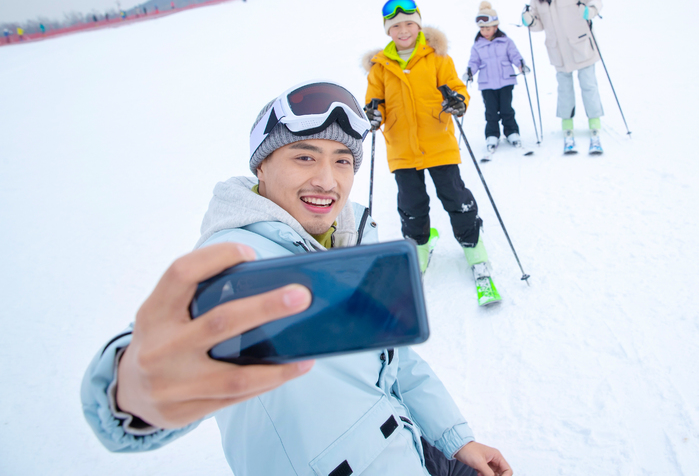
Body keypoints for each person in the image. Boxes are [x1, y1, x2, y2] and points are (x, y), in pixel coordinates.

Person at [81, 81, 512, 476]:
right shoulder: (238, 261)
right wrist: (131, 393)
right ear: (261, 166)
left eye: (342, 161)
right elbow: (153, 367)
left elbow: (394, 357)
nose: (326, 181)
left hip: (411, 444)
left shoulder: (348, 236)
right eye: (304, 157)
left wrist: (455, 438)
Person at [362, 0, 495, 292]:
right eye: (396, 26)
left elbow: (457, 88)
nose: (403, 30)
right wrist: (373, 114)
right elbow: (375, 102)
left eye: (409, 24)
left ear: (418, 26)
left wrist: (458, 101)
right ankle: (419, 248)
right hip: (402, 149)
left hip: (439, 144)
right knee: (411, 205)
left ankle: (474, 248)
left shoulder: (437, 57)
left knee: (456, 198)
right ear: (388, 31)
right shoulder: (379, 67)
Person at [521, 0, 605, 155]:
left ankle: (594, 125)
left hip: (581, 46)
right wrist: (530, 21)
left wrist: (590, 10)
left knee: (589, 86)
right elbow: (538, 24)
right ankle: (567, 127)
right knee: (565, 90)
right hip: (558, 51)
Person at [466, 1, 528, 156]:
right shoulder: (477, 45)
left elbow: (514, 55)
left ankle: (511, 132)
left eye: (488, 28)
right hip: (487, 84)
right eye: (482, 29)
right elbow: (474, 62)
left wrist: (521, 65)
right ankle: (492, 135)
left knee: (507, 109)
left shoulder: (506, 42)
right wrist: (470, 72)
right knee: (491, 111)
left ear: (496, 27)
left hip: (506, 81)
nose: (485, 32)